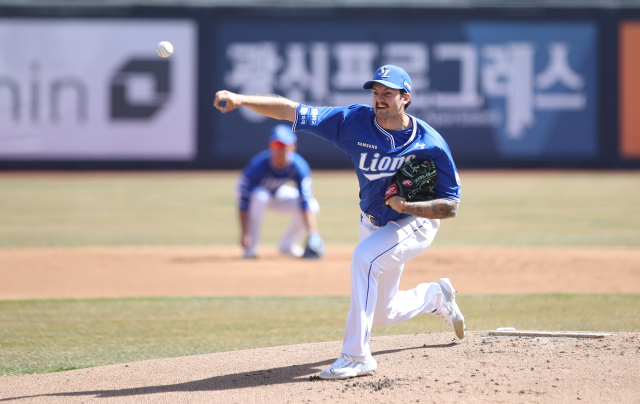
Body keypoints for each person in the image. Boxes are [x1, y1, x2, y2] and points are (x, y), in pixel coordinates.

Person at [215, 65, 465, 379]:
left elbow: (450, 206)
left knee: (363, 259)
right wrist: (240, 99)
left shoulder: (430, 142)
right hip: (373, 221)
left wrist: (407, 204)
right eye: (375, 92)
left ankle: (357, 356)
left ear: (406, 98)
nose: (379, 99)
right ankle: (436, 297)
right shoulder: (352, 122)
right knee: (384, 312)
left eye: (387, 92)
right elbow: (291, 111)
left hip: (413, 222)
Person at [237, 124, 322, 259]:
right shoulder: (258, 165)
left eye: (284, 145)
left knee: (314, 205)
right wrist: (244, 232)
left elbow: (305, 201)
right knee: (261, 196)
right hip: (255, 196)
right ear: (271, 146)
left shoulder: (299, 166)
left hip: (276, 194)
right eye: (277, 145)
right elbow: (243, 201)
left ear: (293, 146)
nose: (280, 149)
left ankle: (287, 246)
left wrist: (313, 234)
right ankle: (250, 248)